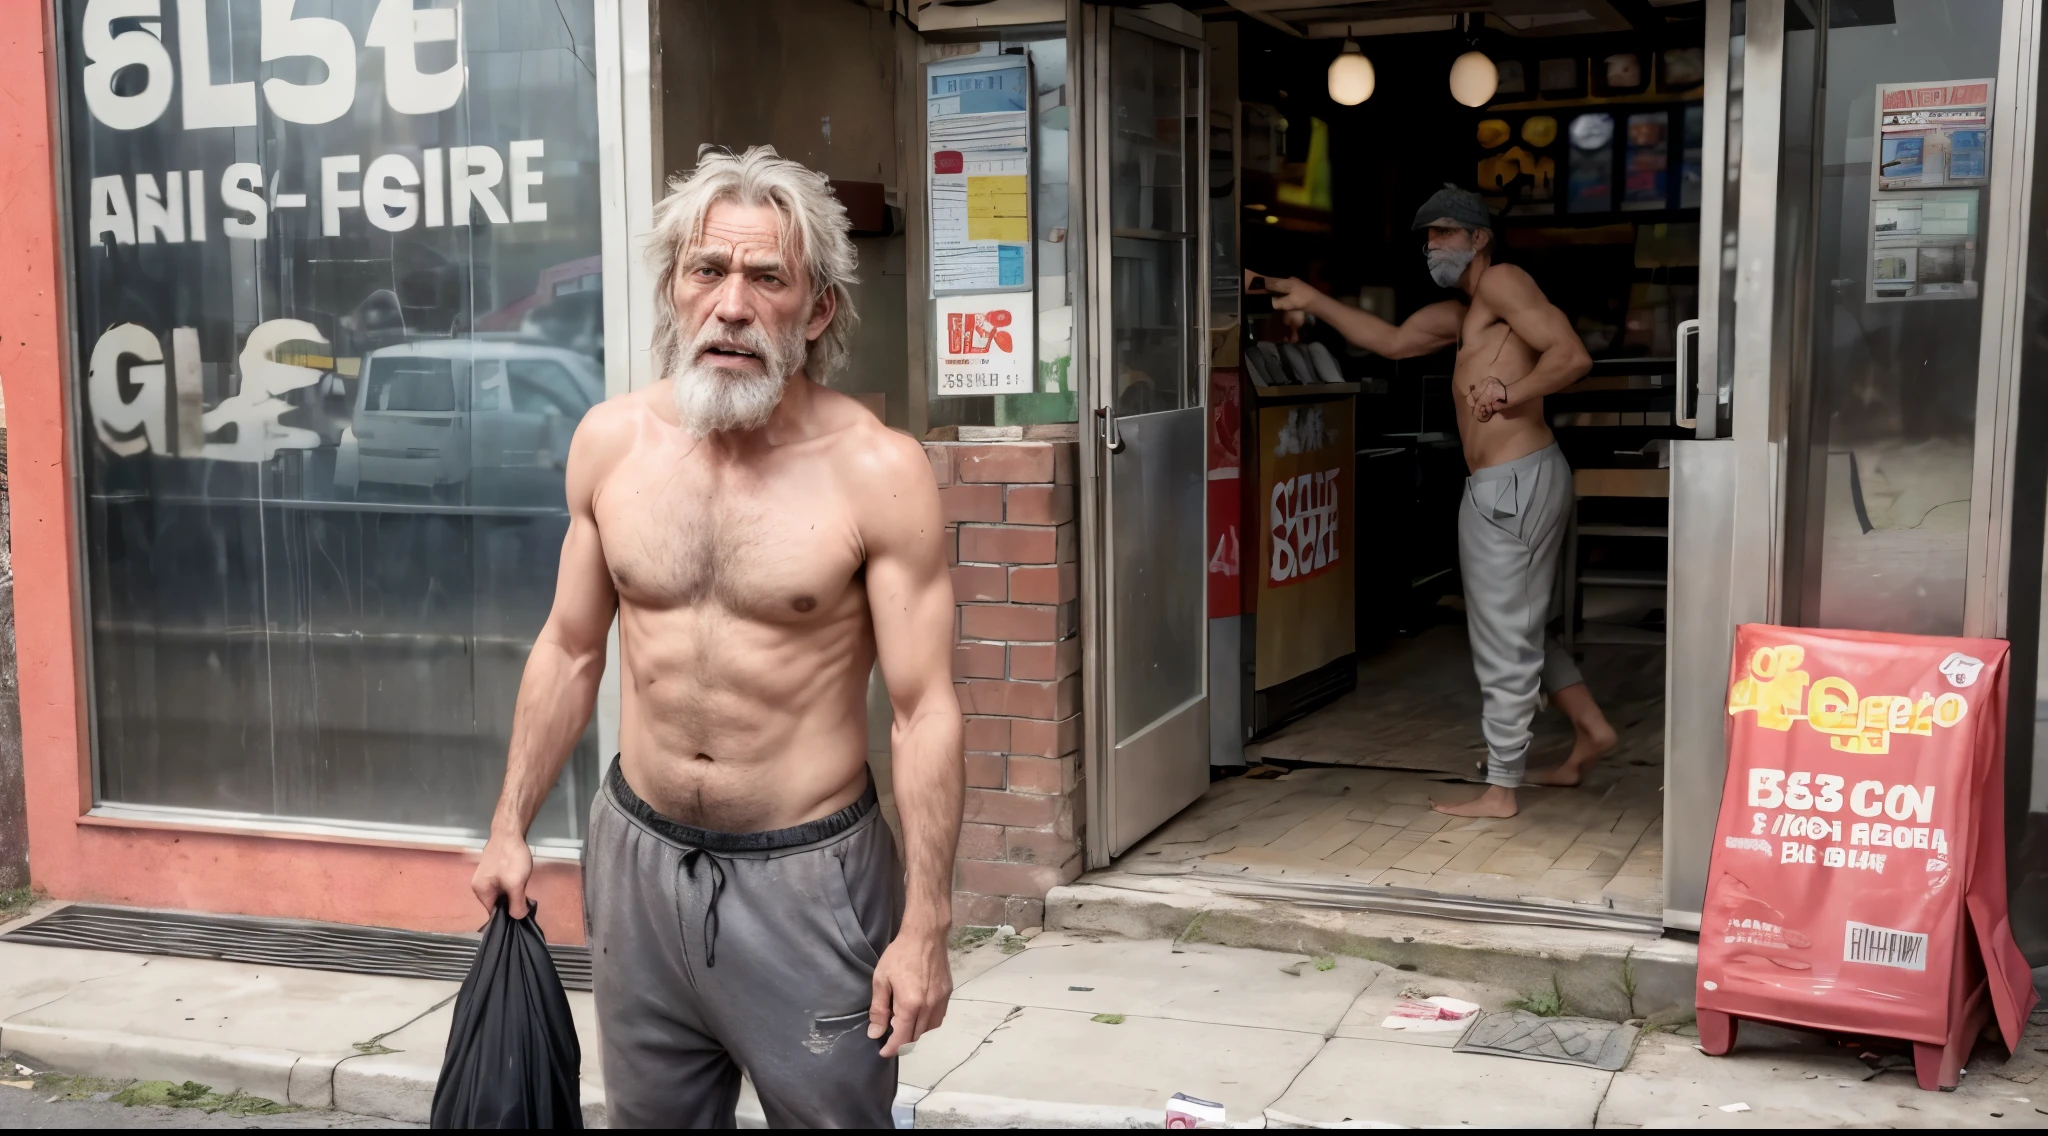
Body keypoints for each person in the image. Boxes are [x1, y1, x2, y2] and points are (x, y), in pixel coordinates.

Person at [469, 145, 963, 1127]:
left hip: (809, 878)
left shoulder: (878, 470)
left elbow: (920, 710)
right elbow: (569, 649)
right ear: (674, 287)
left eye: (766, 277)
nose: (730, 304)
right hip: (638, 858)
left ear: (815, 310)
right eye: (708, 270)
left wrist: (926, 921)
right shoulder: (610, 442)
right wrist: (508, 824)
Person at [1258, 184, 1616, 819]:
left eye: (1445, 233)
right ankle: (1591, 730)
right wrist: (1312, 299)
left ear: (1479, 238)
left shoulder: (1502, 280)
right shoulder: (1463, 315)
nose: (1433, 245)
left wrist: (1513, 392)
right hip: (1502, 486)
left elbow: (1572, 356)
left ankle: (1502, 786)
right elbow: (1390, 340)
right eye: (1426, 236)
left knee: (1503, 632)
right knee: (1516, 621)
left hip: (1514, 482)